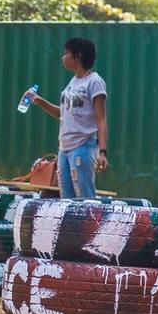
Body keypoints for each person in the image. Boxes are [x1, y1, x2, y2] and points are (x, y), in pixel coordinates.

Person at [27, 37, 109, 198]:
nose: (63, 57)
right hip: (64, 148)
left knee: (85, 198)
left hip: (83, 147)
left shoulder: (95, 82)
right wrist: (39, 101)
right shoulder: (72, 83)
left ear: (77, 56)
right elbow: (62, 114)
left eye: (66, 53)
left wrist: (102, 152)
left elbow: (101, 119)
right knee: (66, 199)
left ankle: (89, 224)